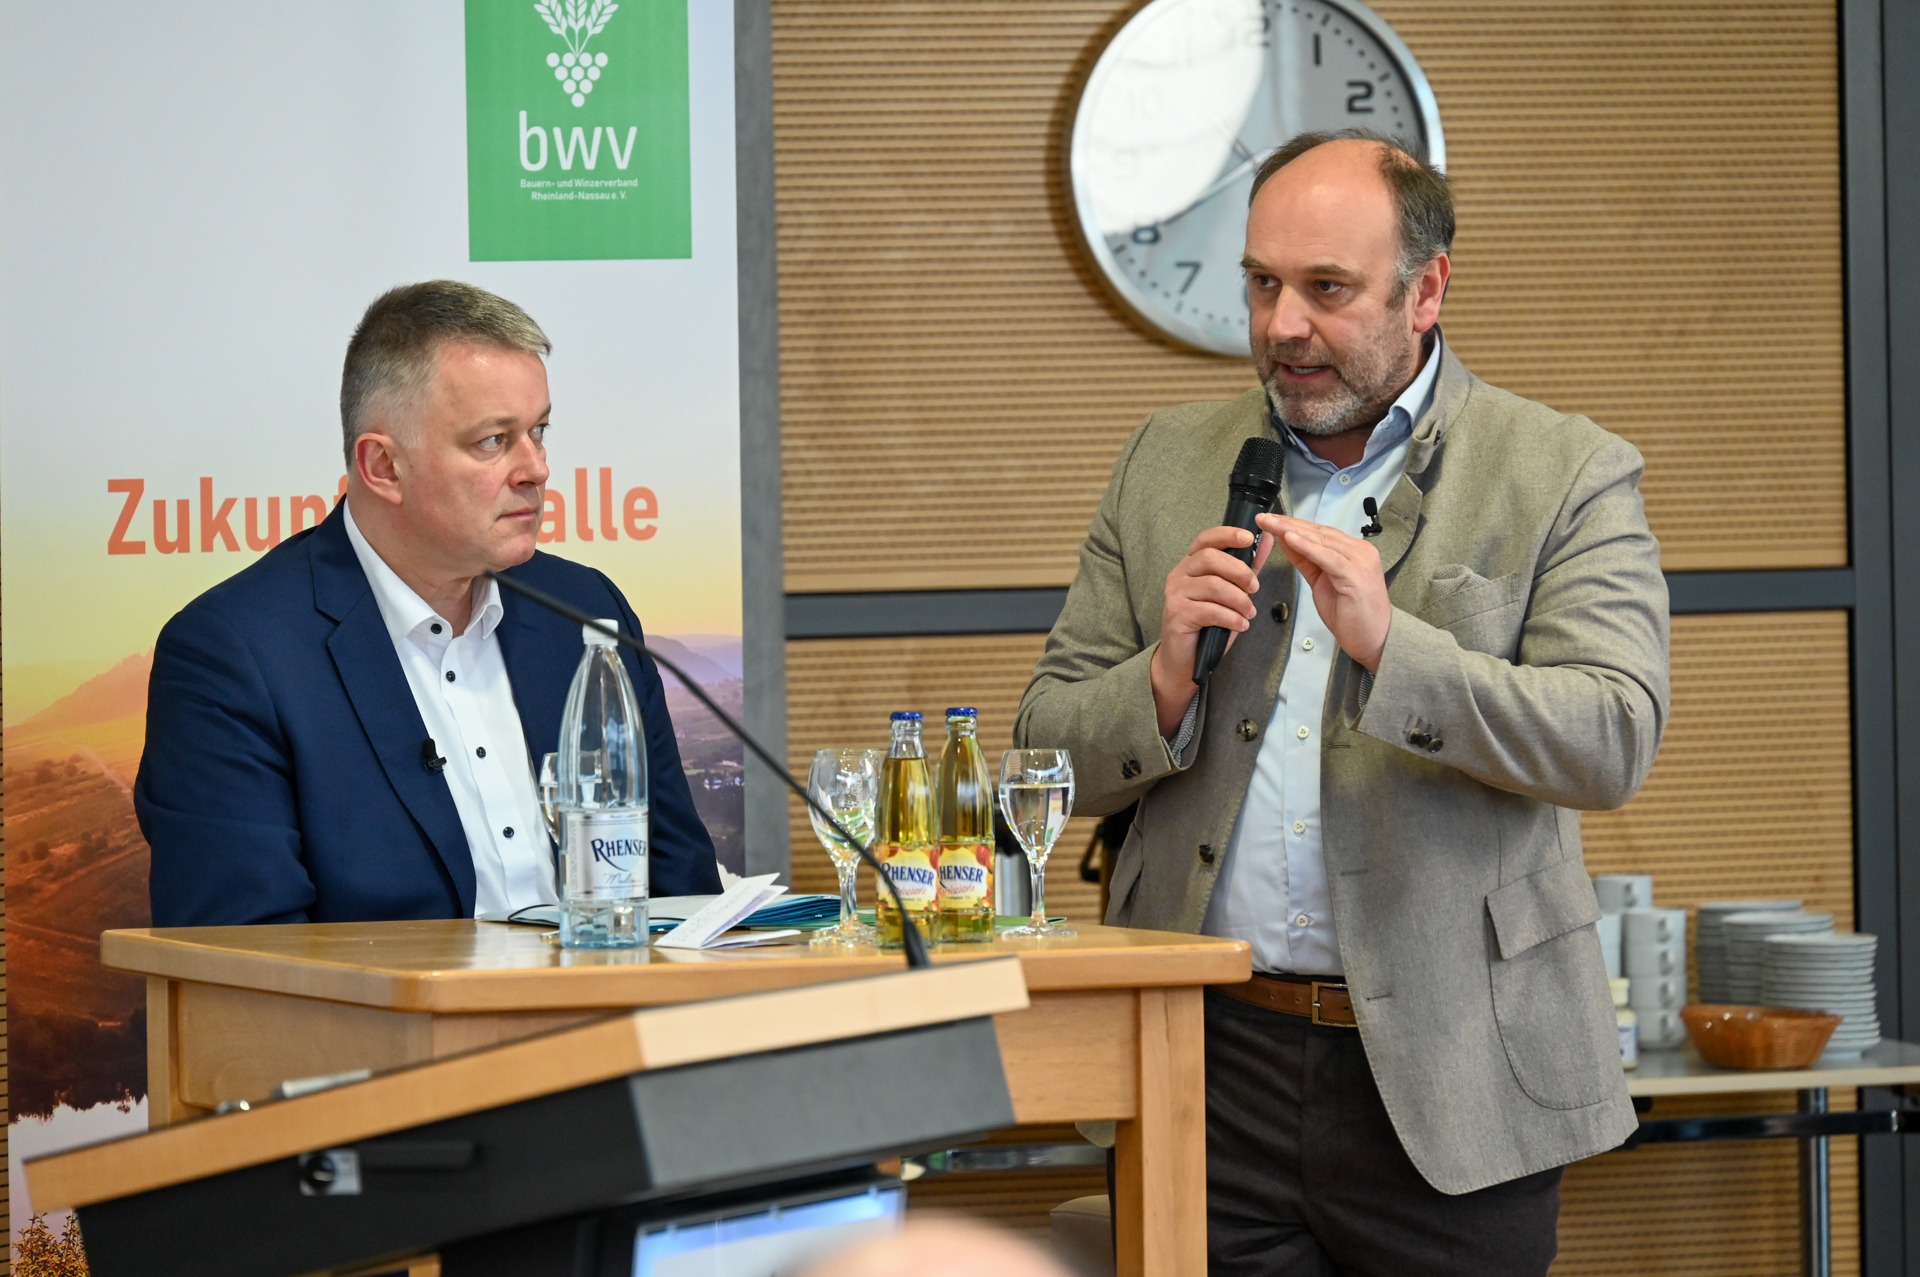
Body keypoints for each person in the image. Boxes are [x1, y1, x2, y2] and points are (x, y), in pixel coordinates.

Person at [1017, 131, 1669, 1276]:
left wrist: (1392, 647)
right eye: (1262, 284)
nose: (1282, 325)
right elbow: (1042, 747)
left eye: (1327, 289)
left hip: (1460, 1073)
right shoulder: (1164, 459)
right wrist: (1162, 678)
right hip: (1203, 1059)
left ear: (1427, 289)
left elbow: (1611, 734)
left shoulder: (1564, 469)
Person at [138, 280, 722, 926]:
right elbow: (244, 962)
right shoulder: (234, 656)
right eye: (493, 440)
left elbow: (684, 899)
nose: (536, 468)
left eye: (539, 431)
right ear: (384, 467)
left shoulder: (584, 611)